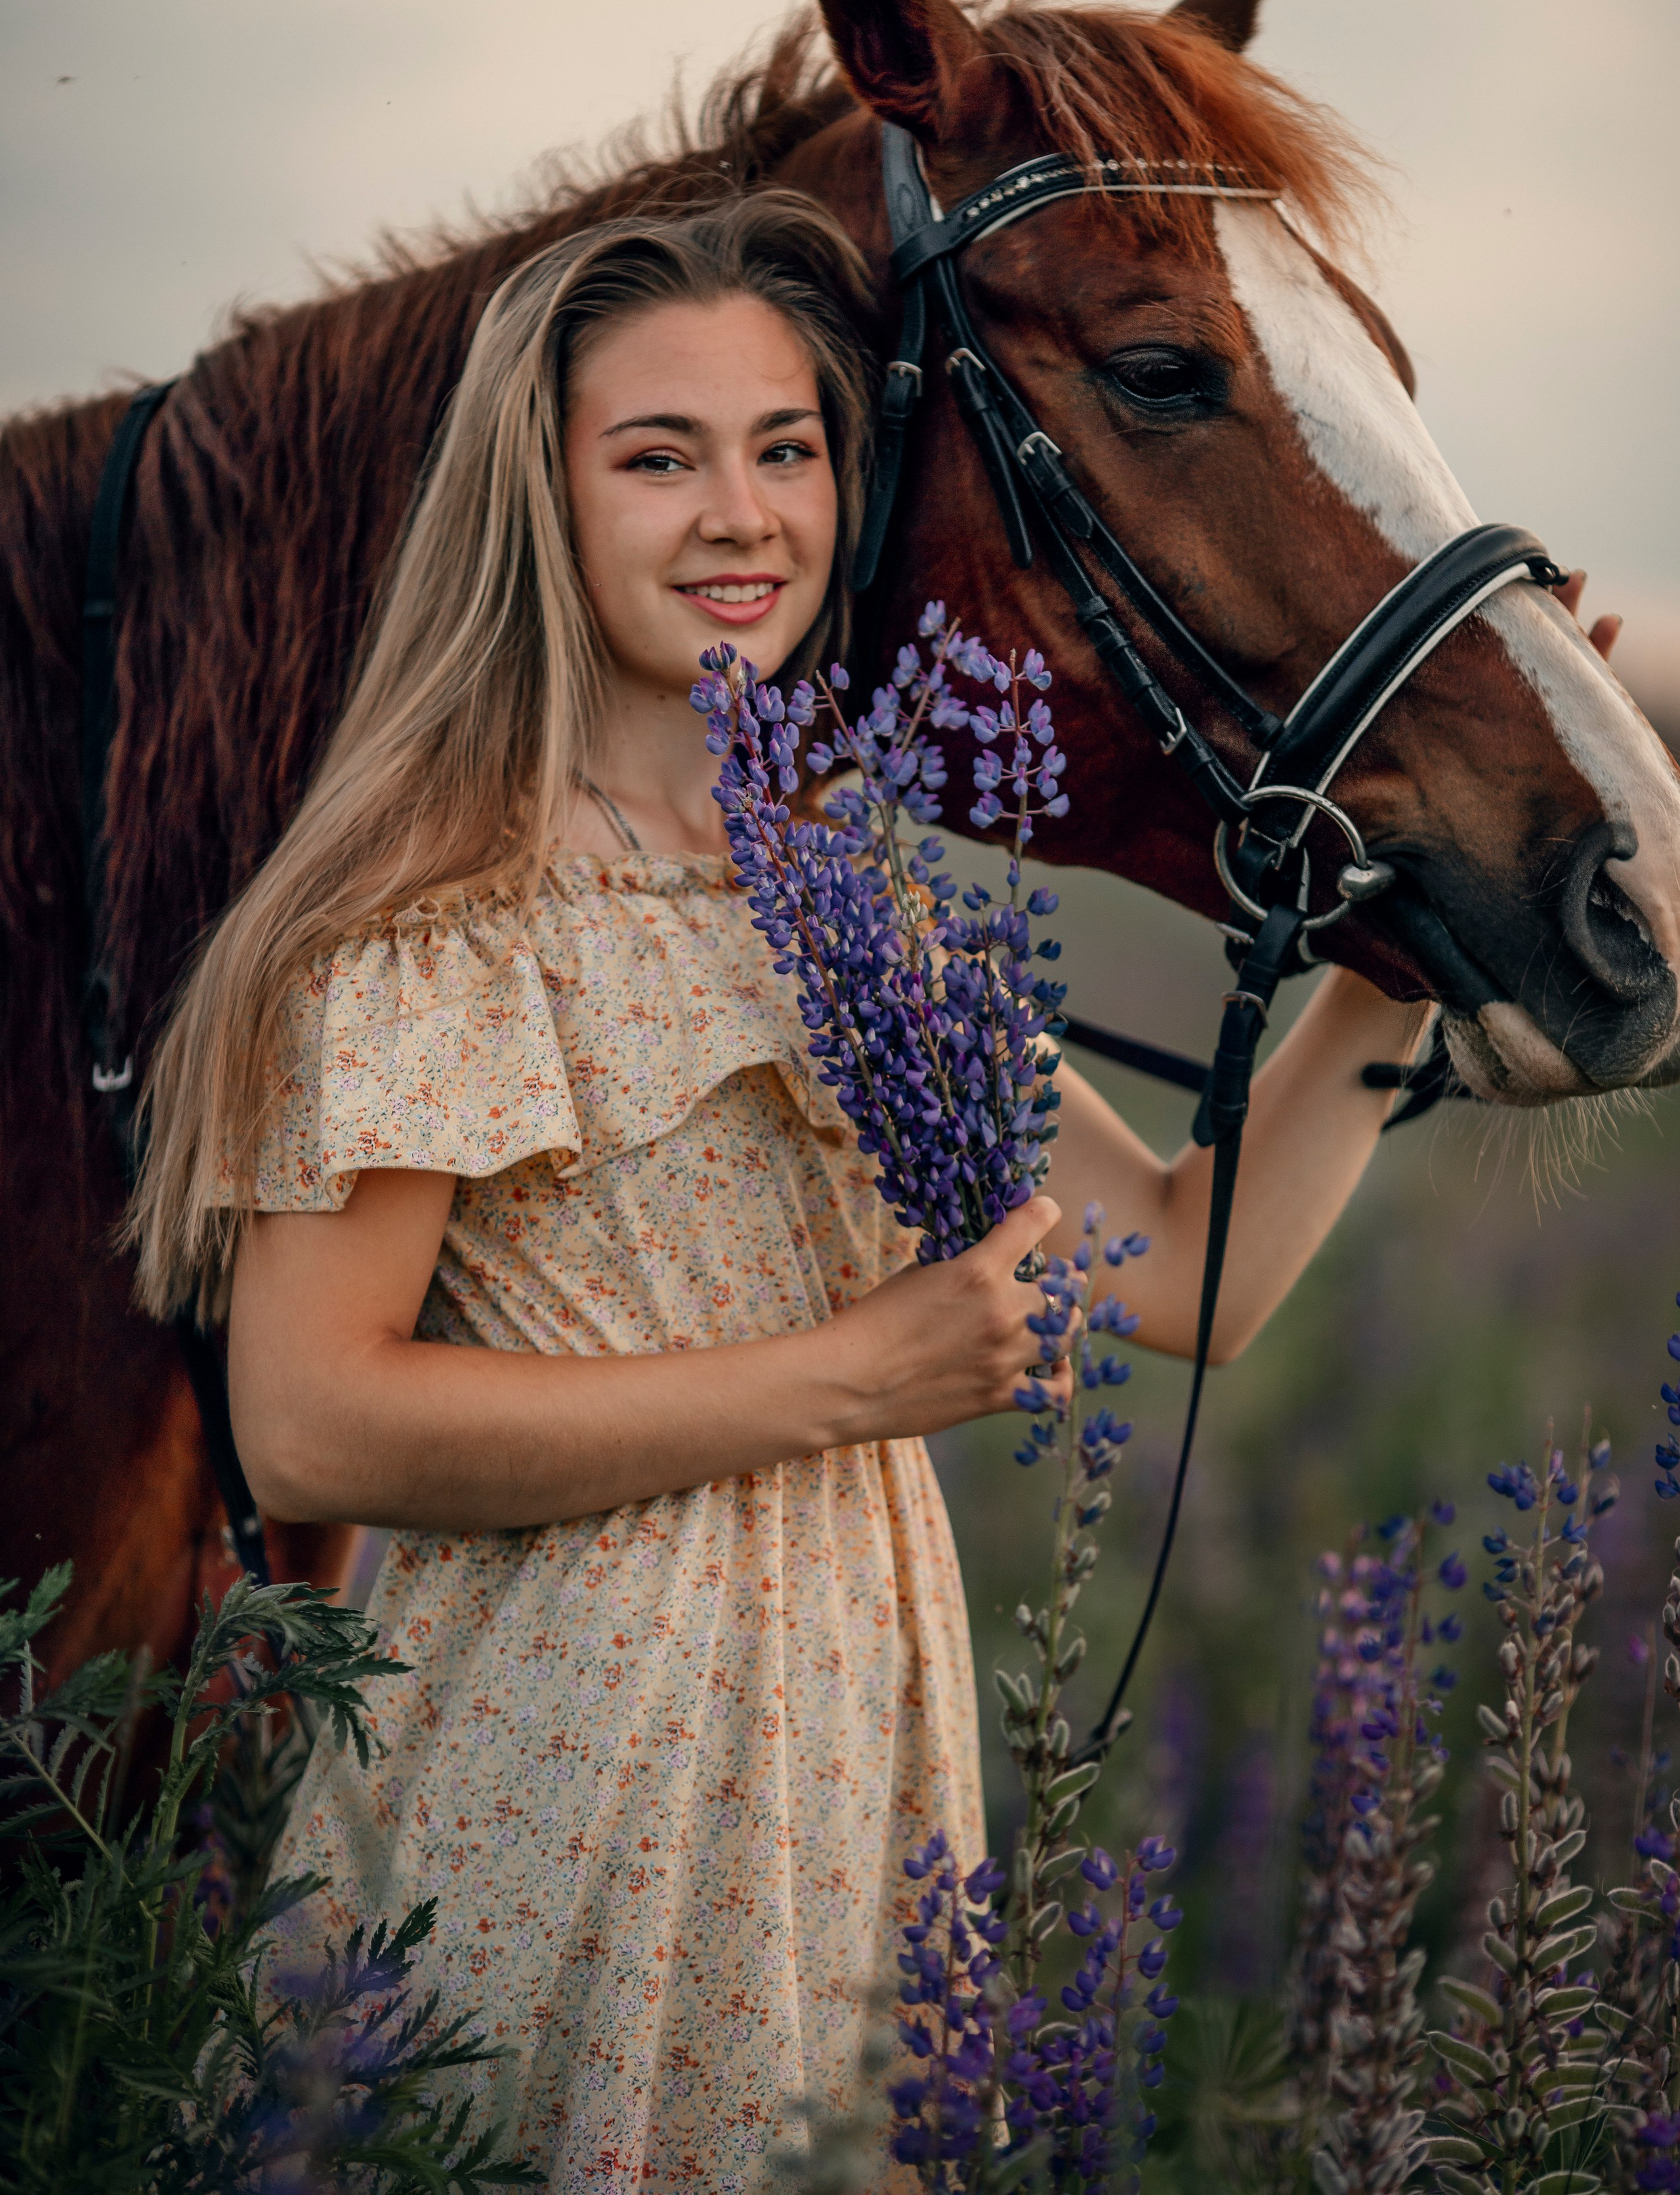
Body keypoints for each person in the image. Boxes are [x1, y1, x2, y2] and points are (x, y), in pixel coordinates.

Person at [131, 190, 1431, 2188]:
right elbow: (312, 1415)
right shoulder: (437, 913)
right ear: (541, 504)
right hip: (568, 1767)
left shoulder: (840, 895)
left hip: (846, 1756)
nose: (740, 513)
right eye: (659, 457)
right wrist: (853, 1375)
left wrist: (1411, 957)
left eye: (788, 449)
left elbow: (1188, 1270)